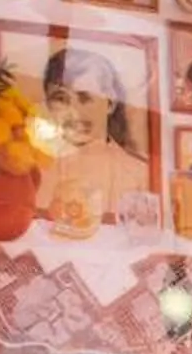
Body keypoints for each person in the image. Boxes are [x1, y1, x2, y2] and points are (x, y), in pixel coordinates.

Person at [38, 43, 155, 237]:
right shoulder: (31, 171)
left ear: (110, 103)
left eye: (85, 98)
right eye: (60, 99)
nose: (73, 112)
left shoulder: (140, 175)